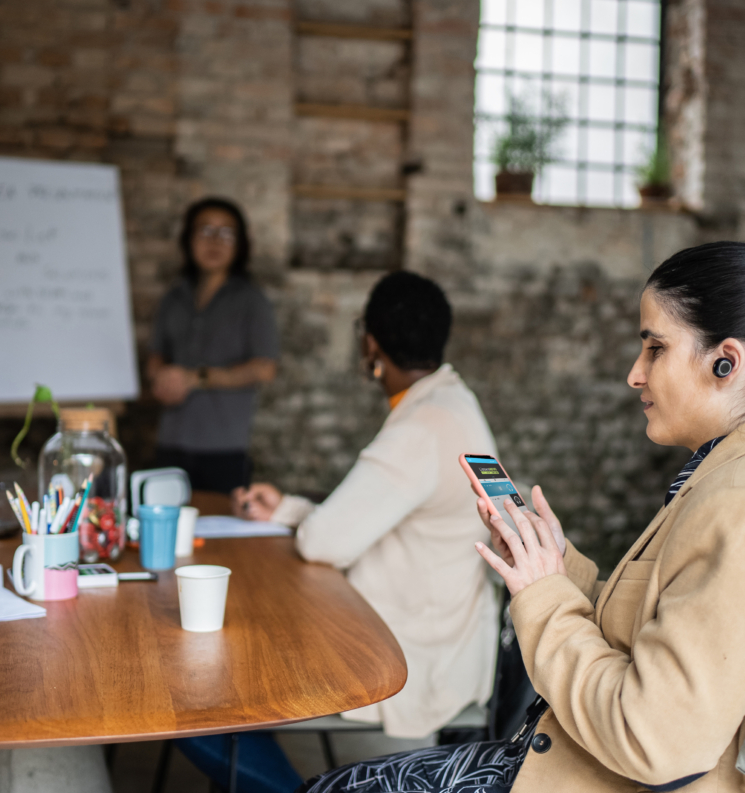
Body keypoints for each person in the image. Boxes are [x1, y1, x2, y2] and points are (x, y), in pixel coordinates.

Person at [297, 242, 745, 793]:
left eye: (655, 348)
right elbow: (659, 626)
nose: (635, 372)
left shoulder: (743, 508)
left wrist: (541, 599)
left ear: (725, 363)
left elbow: (650, 737)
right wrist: (556, 564)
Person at [175, 271, 502, 793]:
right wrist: (286, 508)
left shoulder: (420, 426)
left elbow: (323, 542)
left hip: (408, 651)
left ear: (370, 343)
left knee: (198, 699)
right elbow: (374, 511)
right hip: (449, 632)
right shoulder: (455, 402)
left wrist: (298, 518)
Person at [147, 197, 279, 494]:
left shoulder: (251, 299)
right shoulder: (174, 297)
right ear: (188, 239)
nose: (215, 241)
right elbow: (156, 355)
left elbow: (265, 368)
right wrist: (161, 380)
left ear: (240, 244)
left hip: (223, 445)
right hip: (171, 439)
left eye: (226, 233)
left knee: (224, 533)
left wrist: (198, 378)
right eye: (205, 231)